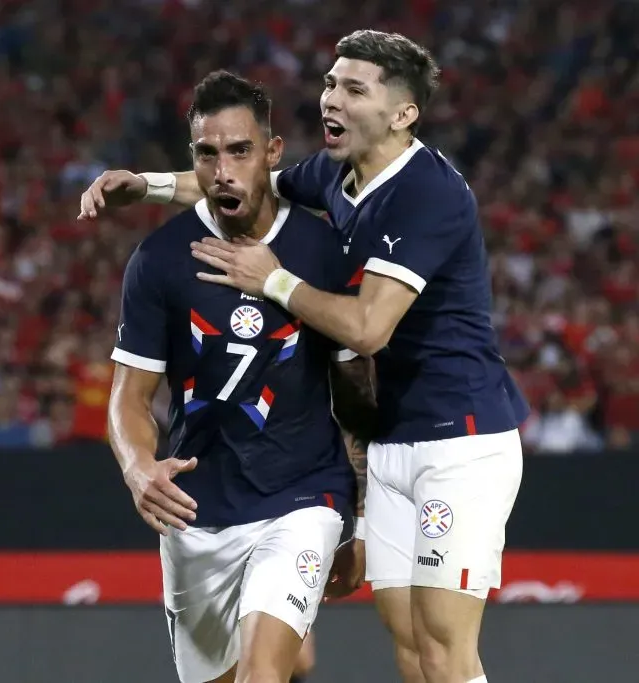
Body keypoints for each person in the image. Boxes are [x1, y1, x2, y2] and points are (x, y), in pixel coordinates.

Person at [83, 30, 531, 683]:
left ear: (403, 114)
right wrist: (145, 185)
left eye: (354, 88)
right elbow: (239, 180)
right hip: (390, 438)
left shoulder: (425, 193)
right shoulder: (336, 174)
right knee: (408, 642)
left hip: (458, 437)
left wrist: (274, 279)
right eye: (329, 82)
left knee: (443, 642)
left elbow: (370, 329)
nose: (331, 99)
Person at [107, 70, 376, 683]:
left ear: (273, 153)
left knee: (265, 674)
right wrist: (137, 466)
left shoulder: (322, 251)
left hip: (302, 497)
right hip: (197, 514)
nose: (223, 169)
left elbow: (356, 395)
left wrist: (360, 518)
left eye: (240, 150)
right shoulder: (159, 261)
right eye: (207, 153)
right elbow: (130, 396)